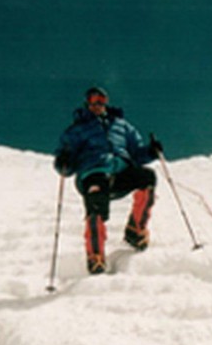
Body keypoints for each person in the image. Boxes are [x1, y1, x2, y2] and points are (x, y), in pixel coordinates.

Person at [54, 86, 163, 275]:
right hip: (94, 171)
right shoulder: (78, 129)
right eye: (94, 100)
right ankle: (95, 255)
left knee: (147, 177)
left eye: (102, 100)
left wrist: (151, 151)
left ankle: (135, 230)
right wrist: (63, 161)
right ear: (87, 103)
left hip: (121, 171)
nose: (98, 104)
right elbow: (67, 164)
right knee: (96, 197)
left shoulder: (122, 125)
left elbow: (137, 153)